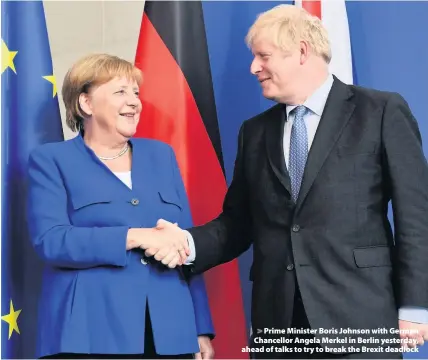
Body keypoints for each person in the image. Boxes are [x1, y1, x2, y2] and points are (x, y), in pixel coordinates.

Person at [145, 4, 428, 359]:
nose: (253, 68)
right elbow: (237, 224)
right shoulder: (255, 132)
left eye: (264, 56)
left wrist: (415, 309)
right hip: (278, 325)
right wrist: (185, 242)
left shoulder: (380, 111)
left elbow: (416, 217)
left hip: (360, 318)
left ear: (302, 52)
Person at [27, 53, 215, 359]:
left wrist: (200, 327)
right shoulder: (51, 161)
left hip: (169, 332)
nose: (134, 102)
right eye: (120, 92)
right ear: (86, 104)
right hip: (88, 333)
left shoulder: (161, 156)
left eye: (136, 93)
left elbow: (184, 243)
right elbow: (51, 240)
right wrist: (136, 236)